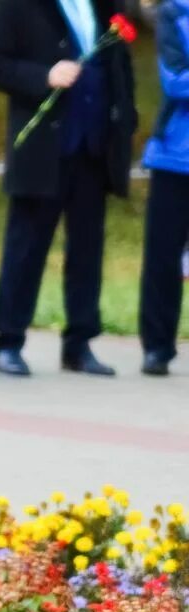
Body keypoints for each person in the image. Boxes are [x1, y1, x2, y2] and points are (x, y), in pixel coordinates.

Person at [0, 0, 135, 377]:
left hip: (93, 147)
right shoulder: (18, 5)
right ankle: (10, 340)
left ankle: (79, 344)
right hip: (45, 149)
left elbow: (118, 64)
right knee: (26, 247)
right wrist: (43, 76)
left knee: (87, 250)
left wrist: (125, 119)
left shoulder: (106, 4)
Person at [139, 0, 189, 377]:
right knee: (163, 255)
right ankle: (157, 347)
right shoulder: (174, 11)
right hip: (177, 154)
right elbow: (174, 79)